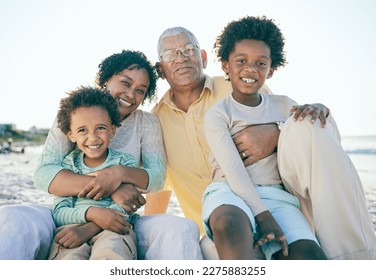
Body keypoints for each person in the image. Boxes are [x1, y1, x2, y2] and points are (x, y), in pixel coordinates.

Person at [152, 26, 376, 259]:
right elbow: (158, 186)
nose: (181, 58)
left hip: (275, 200)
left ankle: (353, 255)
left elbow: (297, 137)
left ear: (204, 57)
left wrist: (276, 131)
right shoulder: (156, 121)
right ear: (160, 69)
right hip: (218, 220)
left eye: (189, 49)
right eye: (170, 54)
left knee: (310, 123)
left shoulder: (242, 83)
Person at [0, 50, 202, 260]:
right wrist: (109, 186)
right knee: (10, 217)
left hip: (120, 217)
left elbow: (157, 178)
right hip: (72, 213)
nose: (131, 94)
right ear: (106, 80)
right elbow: (44, 175)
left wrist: (119, 173)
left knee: (181, 228)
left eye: (140, 90)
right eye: (125, 83)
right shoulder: (75, 112)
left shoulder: (146, 122)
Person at [202, 15, 327, 260]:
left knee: (309, 254)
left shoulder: (285, 106)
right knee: (227, 223)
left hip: (277, 196)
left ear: (271, 70)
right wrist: (263, 216)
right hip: (228, 192)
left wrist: (321, 108)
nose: (250, 69)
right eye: (241, 60)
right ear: (226, 65)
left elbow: (315, 138)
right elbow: (234, 171)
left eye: (261, 63)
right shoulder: (218, 115)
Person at [48, 86, 139, 260]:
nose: (93, 138)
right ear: (71, 135)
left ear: (112, 130)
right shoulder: (68, 166)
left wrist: (90, 228)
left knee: (111, 255)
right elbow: (59, 211)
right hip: (71, 230)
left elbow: (127, 206)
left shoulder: (125, 163)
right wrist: (91, 214)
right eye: (83, 130)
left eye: (101, 128)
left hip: (114, 230)